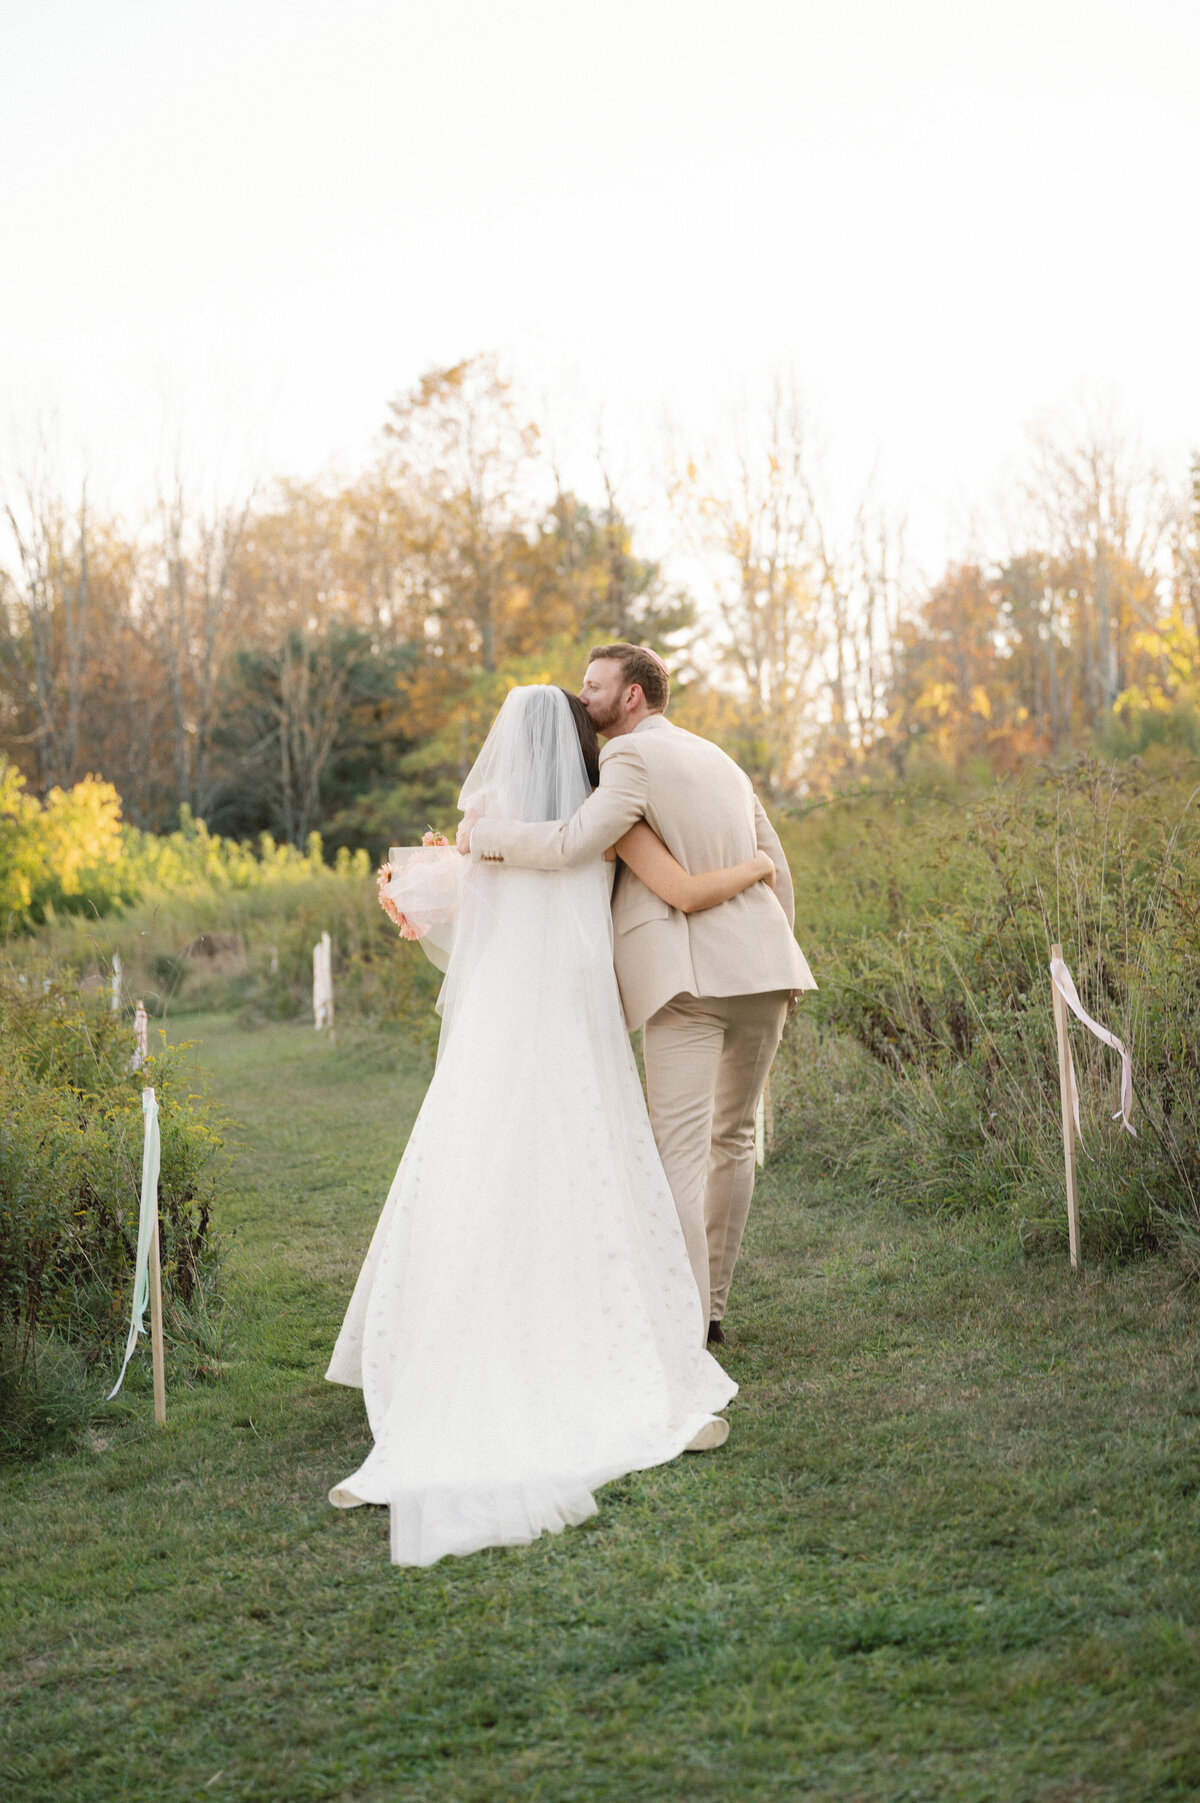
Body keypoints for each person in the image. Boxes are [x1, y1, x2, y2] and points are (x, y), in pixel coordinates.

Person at [326, 684, 777, 1567]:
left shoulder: (483, 816)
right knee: (590, 1163)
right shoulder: (606, 813)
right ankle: (621, 1332)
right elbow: (673, 886)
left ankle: (459, 1336)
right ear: (579, 740)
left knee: (481, 1160)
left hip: (501, 1018)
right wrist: (760, 867)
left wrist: (418, 889)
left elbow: (467, 918)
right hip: (575, 1015)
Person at [460, 644, 817, 1344]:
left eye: (594, 686)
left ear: (631, 697)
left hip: (688, 979)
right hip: (766, 973)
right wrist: (782, 953)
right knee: (735, 1138)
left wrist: (485, 839)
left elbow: (571, 842)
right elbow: (778, 868)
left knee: (679, 1151)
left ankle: (681, 1324)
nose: (582, 697)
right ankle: (712, 1305)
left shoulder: (629, 759)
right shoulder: (722, 759)